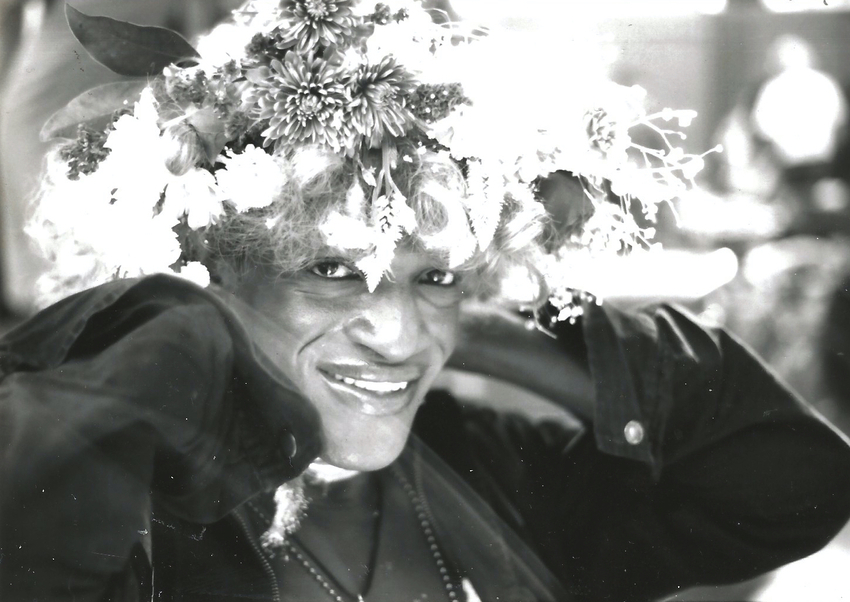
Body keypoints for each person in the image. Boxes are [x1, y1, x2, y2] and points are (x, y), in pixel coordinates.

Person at [2, 2, 850, 601]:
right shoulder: (132, 511)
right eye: (331, 269)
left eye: (436, 276)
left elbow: (798, 482)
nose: (399, 332)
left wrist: (475, 331)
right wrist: (182, 334)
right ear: (206, 270)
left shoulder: (482, 466)